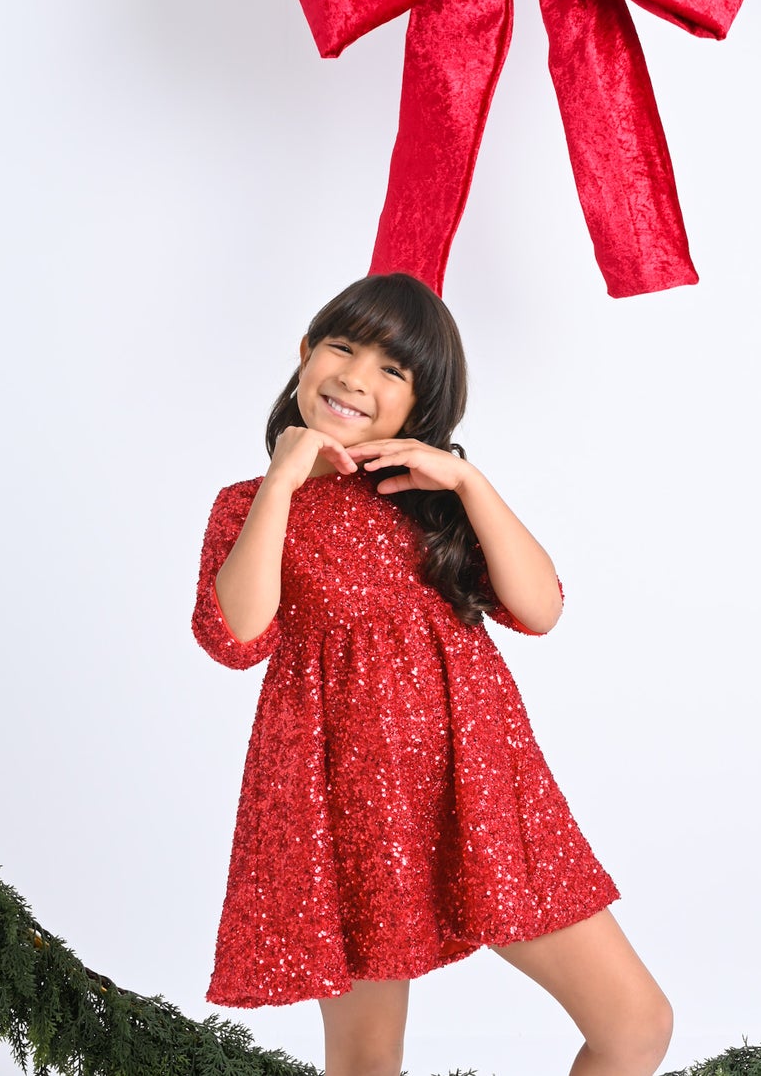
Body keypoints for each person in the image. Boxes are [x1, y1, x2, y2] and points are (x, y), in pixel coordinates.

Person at [192, 271, 673, 1076]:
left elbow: (540, 607)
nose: (354, 377)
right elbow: (236, 636)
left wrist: (468, 481)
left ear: (422, 402)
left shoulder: (432, 497)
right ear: (305, 355)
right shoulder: (248, 505)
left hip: (482, 793)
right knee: (366, 1059)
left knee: (635, 1024)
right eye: (341, 349)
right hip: (340, 807)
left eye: (392, 369)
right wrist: (282, 477)